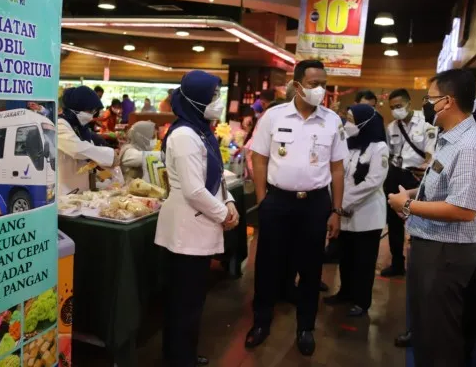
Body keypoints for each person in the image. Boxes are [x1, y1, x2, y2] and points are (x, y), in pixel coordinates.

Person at [388, 69, 476, 367]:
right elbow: (442, 187)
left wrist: (408, 207)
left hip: (445, 254)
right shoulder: (451, 140)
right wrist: (411, 194)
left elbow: (463, 209)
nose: (426, 105)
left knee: (440, 338)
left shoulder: (470, 146)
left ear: (447, 102)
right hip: (433, 248)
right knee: (426, 330)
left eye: (429, 99)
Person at [246, 60, 348, 356]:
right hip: (278, 202)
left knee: (311, 268)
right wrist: (263, 199)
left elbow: (338, 170)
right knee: (267, 264)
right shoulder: (274, 116)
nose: (321, 90)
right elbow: (259, 158)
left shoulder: (332, 121)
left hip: (315, 203)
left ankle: (305, 328)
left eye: (324, 84)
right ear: (298, 84)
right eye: (314, 83)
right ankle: (261, 322)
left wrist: (336, 211)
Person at [155, 70, 239, 367]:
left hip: (199, 222)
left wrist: (229, 201)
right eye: (213, 96)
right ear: (196, 98)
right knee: (184, 302)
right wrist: (223, 216)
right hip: (186, 228)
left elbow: (216, 176)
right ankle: (179, 358)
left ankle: (183, 354)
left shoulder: (201, 130)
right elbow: (193, 189)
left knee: (192, 300)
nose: (217, 101)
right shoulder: (184, 135)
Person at [323, 104, 388, 317]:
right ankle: (345, 293)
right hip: (344, 214)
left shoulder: (379, 148)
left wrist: (342, 203)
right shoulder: (347, 145)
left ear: (364, 123)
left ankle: (362, 301)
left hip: (367, 215)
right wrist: (337, 205)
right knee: (347, 257)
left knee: (364, 261)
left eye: (351, 119)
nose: (347, 124)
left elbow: (373, 181)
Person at [382, 88, 436, 277]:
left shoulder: (426, 122)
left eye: (399, 106)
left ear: (408, 103)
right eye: (392, 107)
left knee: (418, 219)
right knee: (394, 222)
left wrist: (425, 170)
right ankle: (397, 263)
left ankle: (419, 266)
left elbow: (430, 153)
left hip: (415, 177)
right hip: (395, 175)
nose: (396, 110)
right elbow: (389, 154)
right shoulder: (391, 127)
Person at [58, 86, 118, 195]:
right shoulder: (60, 124)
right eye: (90, 110)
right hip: (64, 190)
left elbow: (89, 152)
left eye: (94, 111)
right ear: (78, 106)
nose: (91, 115)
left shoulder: (82, 128)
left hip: (81, 189)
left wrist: (98, 162)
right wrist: (109, 155)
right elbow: (77, 150)